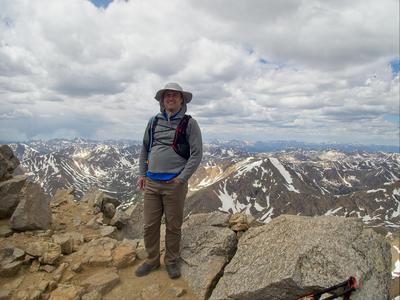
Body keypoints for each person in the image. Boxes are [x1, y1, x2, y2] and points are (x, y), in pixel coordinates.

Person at [135, 82, 203, 279]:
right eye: (167, 95)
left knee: (173, 225)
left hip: (175, 184)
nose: (170, 98)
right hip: (152, 182)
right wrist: (142, 173)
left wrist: (182, 178)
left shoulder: (189, 123)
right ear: (162, 100)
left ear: (181, 100)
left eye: (175, 95)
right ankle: (152, 260)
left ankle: (171, 261)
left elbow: (196, 154)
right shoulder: (153, 122)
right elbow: (144, 149)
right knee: (149, 225)